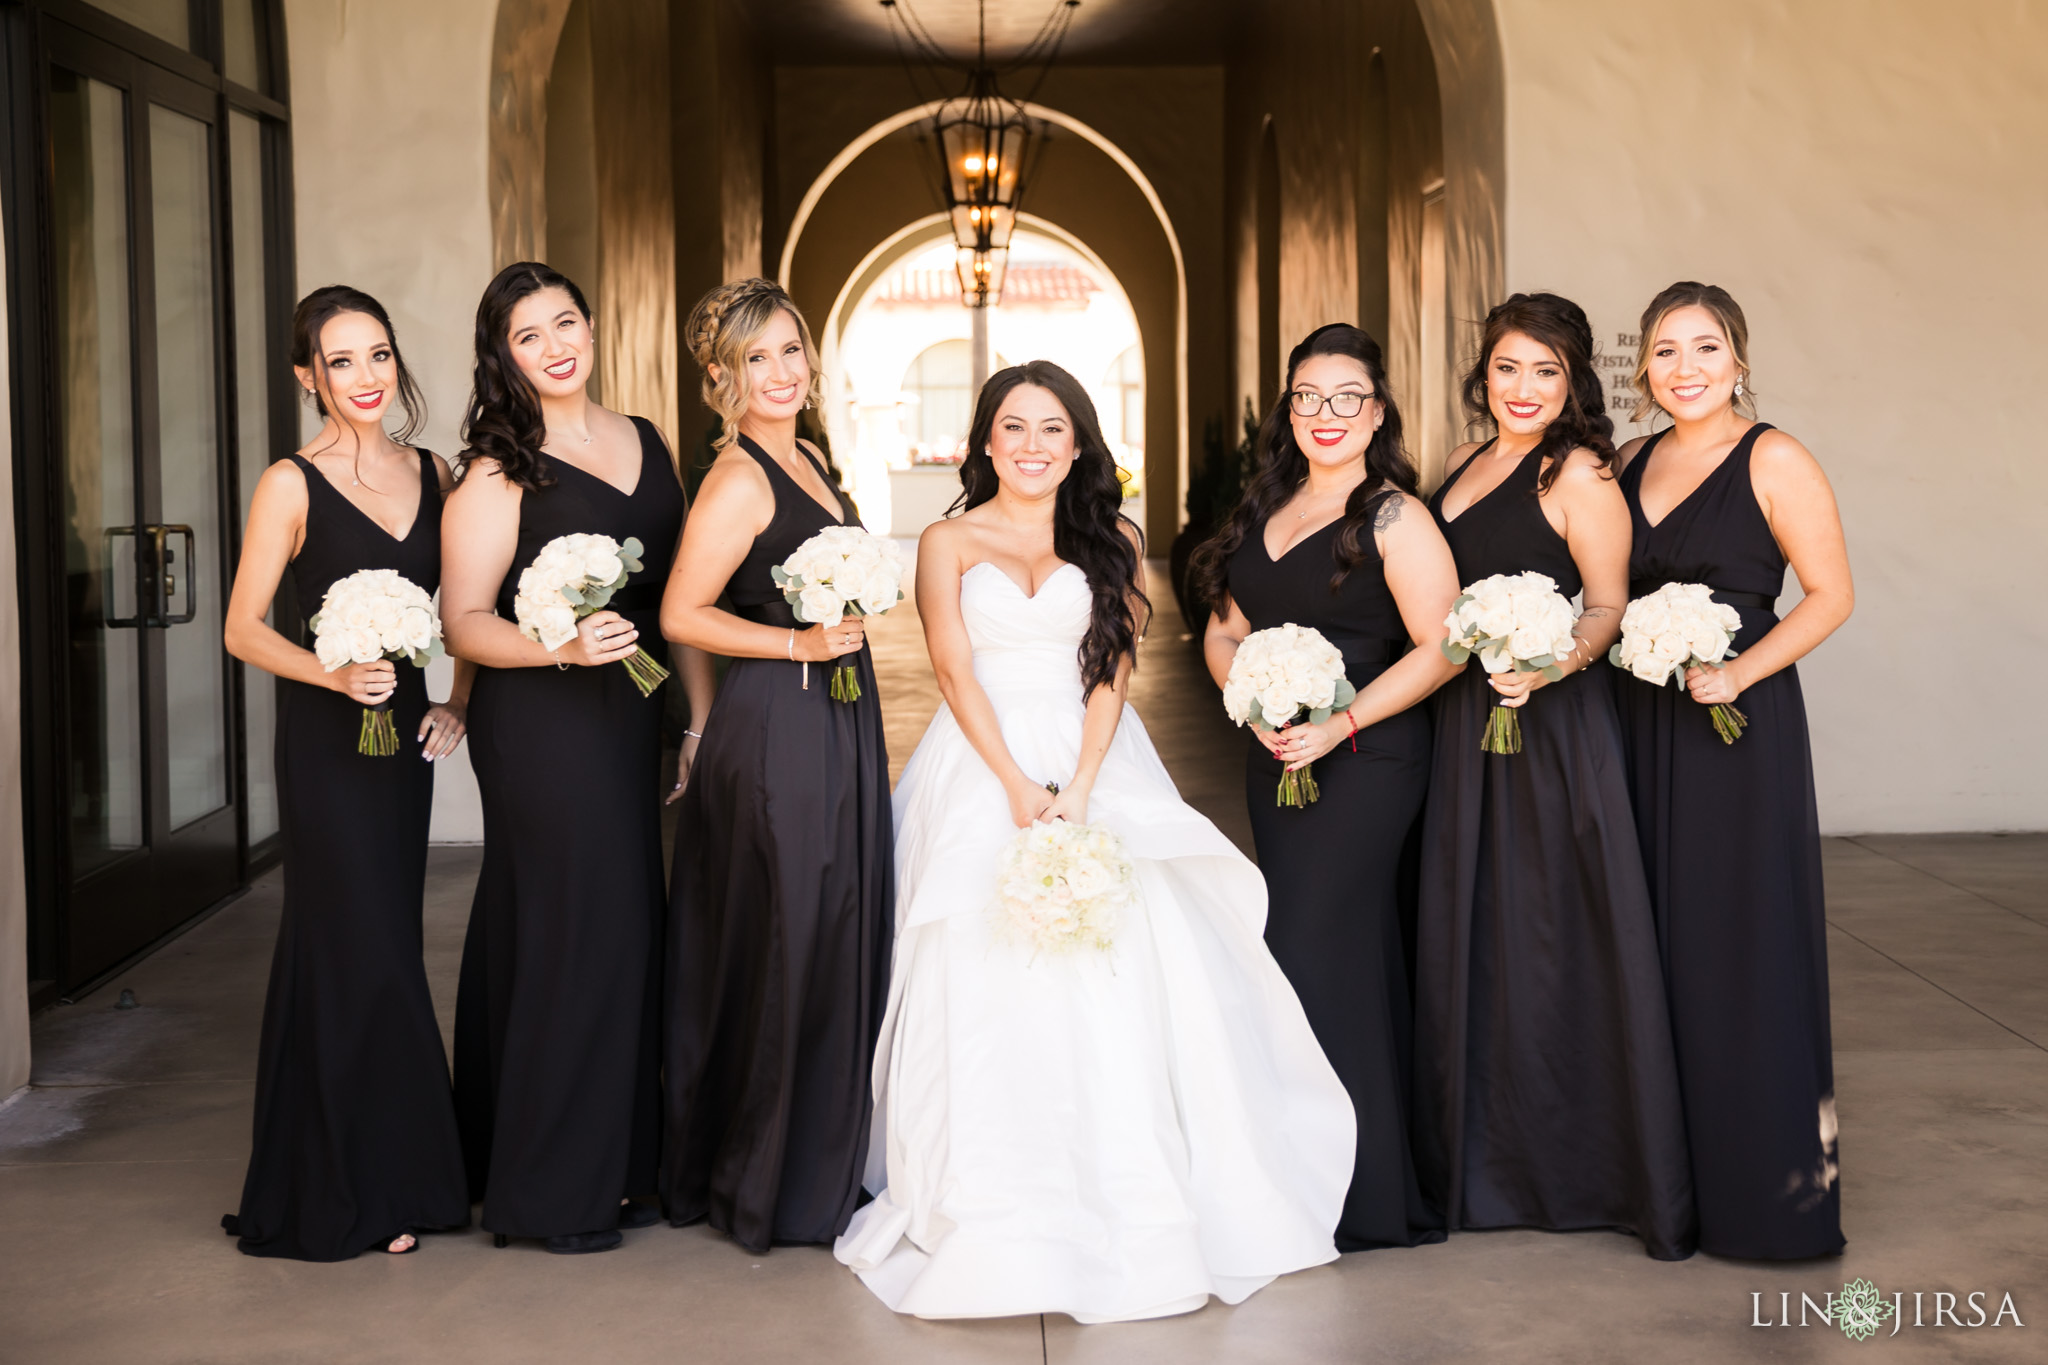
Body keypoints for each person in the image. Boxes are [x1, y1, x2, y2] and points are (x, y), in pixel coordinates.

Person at [835, 360, 1355, 1322]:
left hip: (1093, 753)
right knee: (983, 955)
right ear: (983, 441)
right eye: (1014, 427)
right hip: (981, 757)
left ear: (1079, 444)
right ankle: (986, 1183)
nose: (1033, 446)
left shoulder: (1111, 535)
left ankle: (1133, 1170)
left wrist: (1078, 781)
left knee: (1124, 952)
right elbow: (952, 669)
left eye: (1053, 429)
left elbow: (1112, 663)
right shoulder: (946, 539)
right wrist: (1015, 787)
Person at [1414, 292, 1696, 1261]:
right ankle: (1473, 1161)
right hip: (1462, 726)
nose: (1522, 387)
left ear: (1571, 381)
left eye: (1544, 371)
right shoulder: (1459, 466)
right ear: (1481, 374)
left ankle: (1573, 1167)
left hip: (1548, 731)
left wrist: (1546, 665)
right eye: (1506, 368)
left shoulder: (1576, 472)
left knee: (1549, 939)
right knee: (1470, 931)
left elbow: (1607, 604)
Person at [442, 262, 706, 1255]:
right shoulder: (496, 469)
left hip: (631, 713)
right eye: (528, 336)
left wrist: (695, 718)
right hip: (541, 723)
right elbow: (462, 622)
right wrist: (555, 645)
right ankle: (551, 1186)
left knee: (626, 923)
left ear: (590, 327)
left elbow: (674, 601)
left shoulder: (645, 439)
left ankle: (619, 1161)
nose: (555, 346)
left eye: (565, 323)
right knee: (572, 930)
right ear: (502, 358)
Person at [1196, 323, 1462, 1252]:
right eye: (1308, 396)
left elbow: (1443, 644)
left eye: (1348, 396)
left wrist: (1341, 723)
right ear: (1289, 409)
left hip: (1367, 757)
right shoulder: (1265, 506)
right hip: (1276, 755)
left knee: (1312, 951)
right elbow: (1225, 627)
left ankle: (1351, 1196)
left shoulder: (1394, 516)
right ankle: (1344, 1174)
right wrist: (1247, 689)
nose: (1326, 414)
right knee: (1341, 959)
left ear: (1378, 411)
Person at [221, 285, 469, 1259]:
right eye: (340, 361)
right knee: (355, 942)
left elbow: (464, 609)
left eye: (377, 355)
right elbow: (243, 628)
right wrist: (330, 671)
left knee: (378, 942)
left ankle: (352, 1165)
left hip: (401, 736)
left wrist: (460, 700)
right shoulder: (289, 483)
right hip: (328, 742)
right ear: (306, 377)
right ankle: (360, 1188)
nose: (365, 378)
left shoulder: (437, 473)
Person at [1614, 282, 1852, 1259]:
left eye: (1703, 349)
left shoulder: (1774, 458)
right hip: (1635, 721)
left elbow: (1830, 595)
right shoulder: (1628, 460)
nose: (1684, 369)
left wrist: (1738, 671)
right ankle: (1665, 1183)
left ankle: (1762, 1190)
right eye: (1664, 352)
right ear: (1642, 369)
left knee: (1735, 942)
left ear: (1737, 360)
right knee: (1650, 940)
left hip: (1734, 728)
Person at [659, 278, 890, 1254]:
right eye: (757, 359)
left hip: (829, 717)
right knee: (792, 940)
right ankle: (767, 1182)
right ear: (722, 377)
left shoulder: (806, 459)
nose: (780, 373)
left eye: (791, 351)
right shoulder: (739, 477)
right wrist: (794, 650)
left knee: (832, 928)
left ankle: (816, 1162)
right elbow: (680, 614)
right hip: (782, 727)